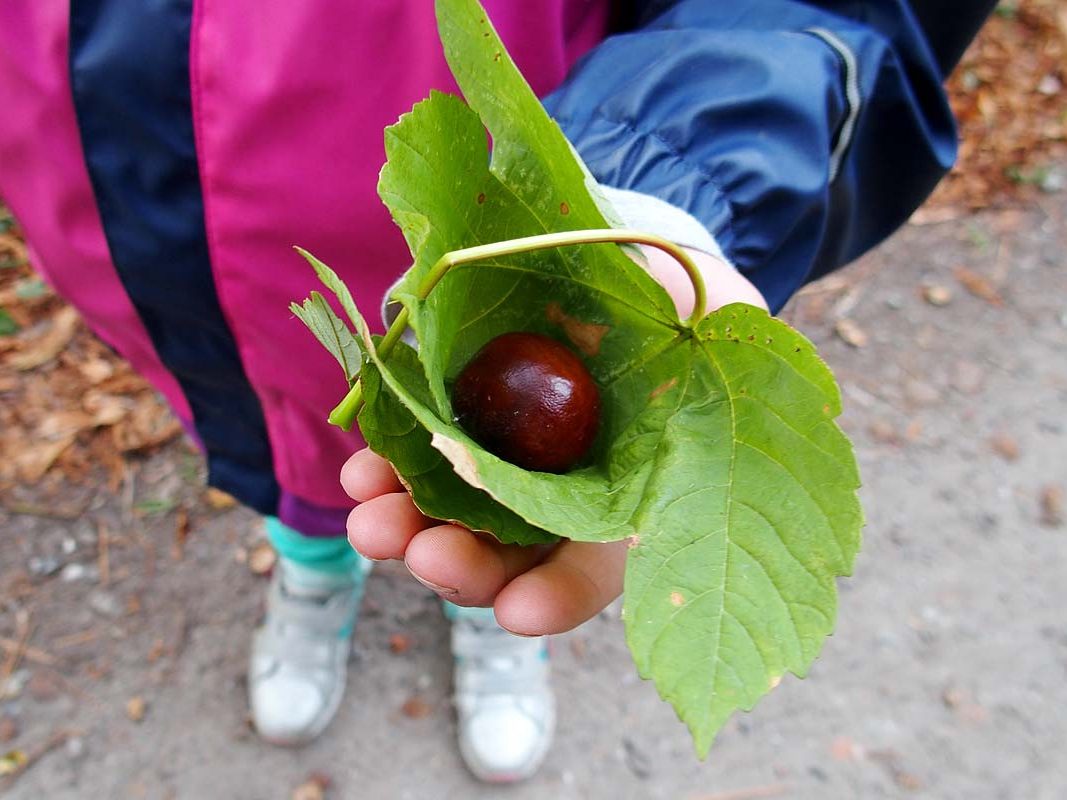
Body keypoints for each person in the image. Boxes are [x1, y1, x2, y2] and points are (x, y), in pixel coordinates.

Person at [0, 0, 995, 784]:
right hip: (137, 226)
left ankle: (476, 613)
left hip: (480, 237)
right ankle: (312, 570)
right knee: (283, 446)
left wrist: (657, 182)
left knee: (421, 489)